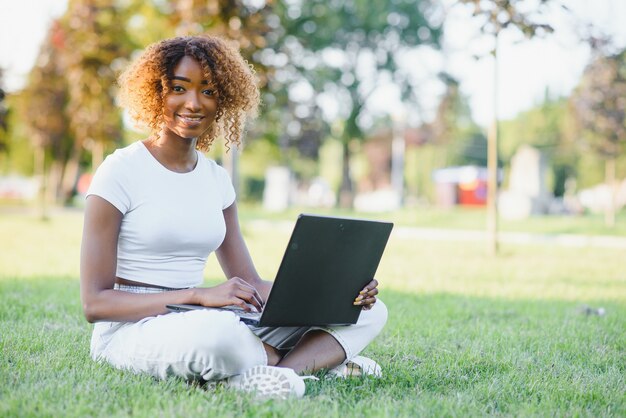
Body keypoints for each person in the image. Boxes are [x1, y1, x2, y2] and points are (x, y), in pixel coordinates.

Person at [80, 35, 388, 399]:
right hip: (132, 330)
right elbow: (95, 304)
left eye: (208, 91)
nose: (193, 103)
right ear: (157, 91)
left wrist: (338, 292)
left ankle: (274, 374)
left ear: (223, 100)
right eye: (179, 88)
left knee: (369, 312)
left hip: (200, 318)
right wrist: (198, 296)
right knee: (221, 335)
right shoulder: (120, 171)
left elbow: (250, 283)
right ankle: (314, 362)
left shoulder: (215, 180)